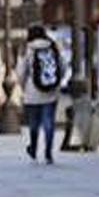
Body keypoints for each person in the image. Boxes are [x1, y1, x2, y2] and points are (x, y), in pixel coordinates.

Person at [17, 25, 64, 164]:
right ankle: (48, 153)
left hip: (32, 92)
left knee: (34, 124)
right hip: (51, 92)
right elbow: (62, 66)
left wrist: (24, 86)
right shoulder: (52, 46)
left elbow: (21, 72)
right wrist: (57, 82)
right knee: (49, 122)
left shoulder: (28, 49)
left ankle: (33, 150)